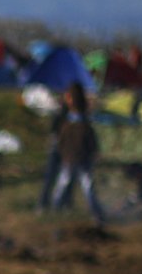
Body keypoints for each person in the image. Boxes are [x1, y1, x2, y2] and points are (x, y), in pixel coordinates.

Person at [42, 84, 107, 227]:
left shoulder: (73, 122)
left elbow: (63, 140)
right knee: (78, 186)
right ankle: (95, 214)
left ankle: (56, 212)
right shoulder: (77, 121)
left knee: (72, 186)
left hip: (74, 159)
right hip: (75, 159)